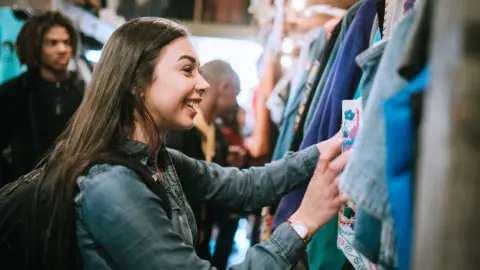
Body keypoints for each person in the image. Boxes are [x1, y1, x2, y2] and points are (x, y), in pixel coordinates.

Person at [40, 17, 348, 269]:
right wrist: (302, 222)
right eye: (187, 70)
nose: (202, 84)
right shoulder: (112, 184)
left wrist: (325, 149)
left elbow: (244, 186)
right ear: (136, 82)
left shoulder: (160, 160)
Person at [167, 59, 243, 269]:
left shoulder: (216, 133)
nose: (237, 102)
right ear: (224, 87)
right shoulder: (179, 130)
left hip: (200, 239)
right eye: (236, 93)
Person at [0, 11, 84, 187]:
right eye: (52, 43)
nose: (62, 49)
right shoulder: (13, 93)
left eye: (66, 42)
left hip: (74, 190)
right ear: (36, 46)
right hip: (25, 194)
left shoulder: (85, 91)